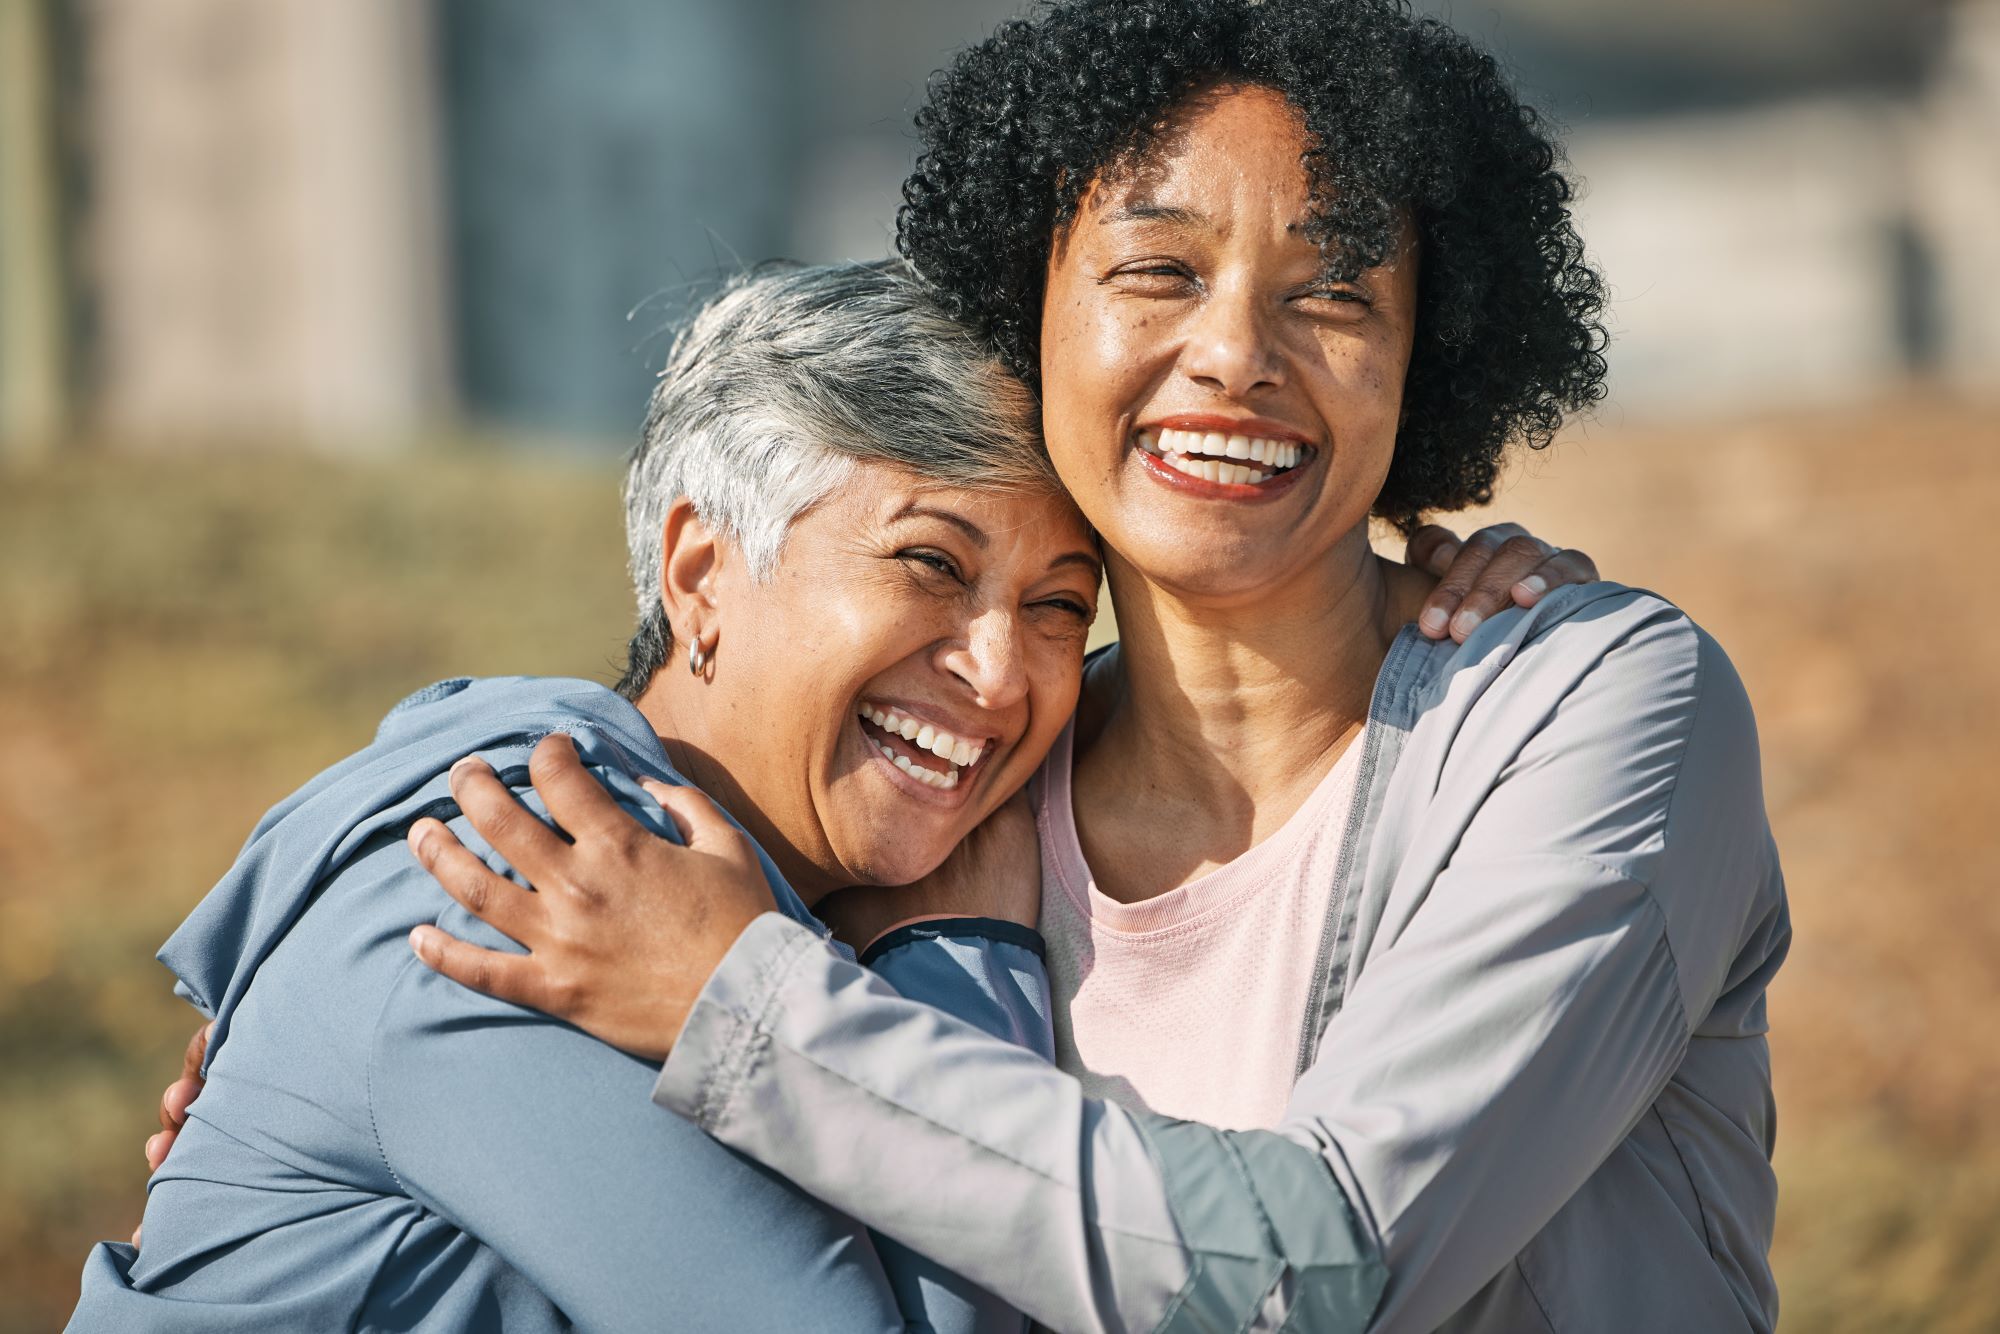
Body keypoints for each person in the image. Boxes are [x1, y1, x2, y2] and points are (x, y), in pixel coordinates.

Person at [399, 3, 1789, 1332]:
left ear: (1428, 354)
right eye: (1159, 270)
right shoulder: (964, 780)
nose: (1237, 353)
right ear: (1034, 313)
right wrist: (284, 1048)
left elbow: (1320, 1271)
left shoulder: (1599, 715)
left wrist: (747, 1007)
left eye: (1336, 291)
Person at [100, 261, 1571, 1332]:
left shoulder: (774, 899)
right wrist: (962, 960)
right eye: (930, 564)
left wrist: (1415, 601)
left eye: (1062, 607)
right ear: (698, 575)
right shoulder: (515, 873)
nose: (1003, 676)